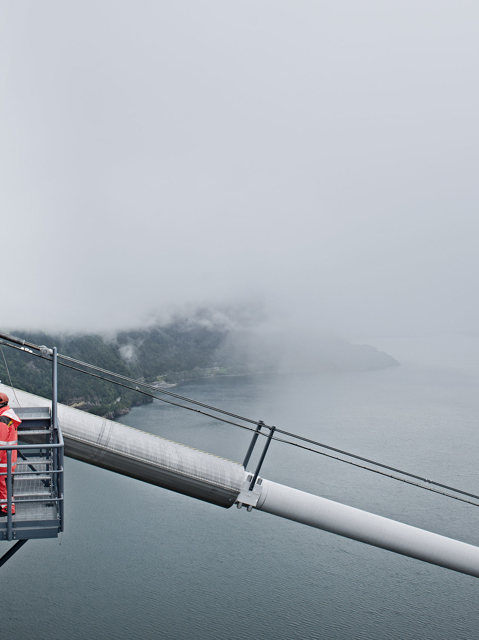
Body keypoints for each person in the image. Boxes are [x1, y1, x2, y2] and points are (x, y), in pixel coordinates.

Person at [0, 392, 21, 516]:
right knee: (6, 483)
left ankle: (7, 509)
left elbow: (1, 443)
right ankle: (6, 506)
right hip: (9, 458)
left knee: (4, 484)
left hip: (4, 460)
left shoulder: (2, 419)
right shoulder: (8, 416)